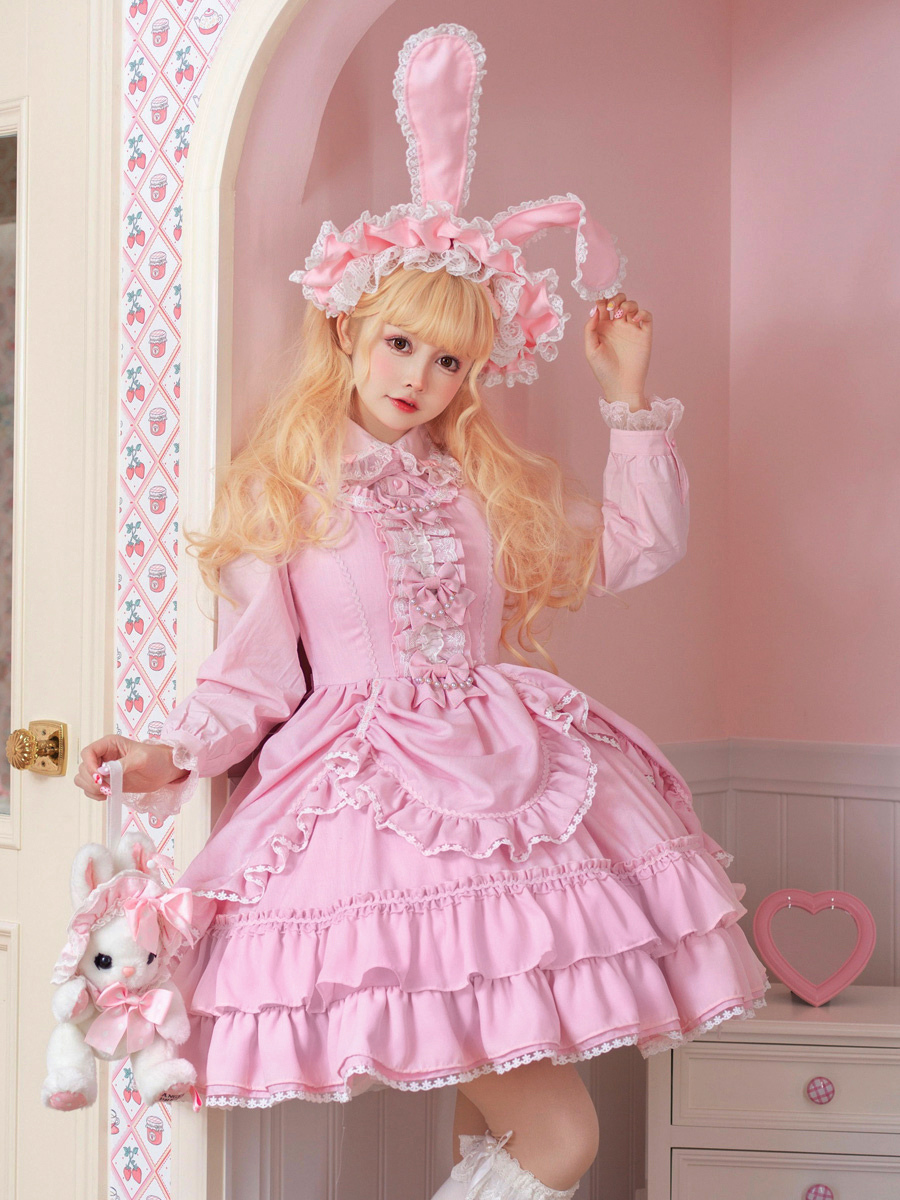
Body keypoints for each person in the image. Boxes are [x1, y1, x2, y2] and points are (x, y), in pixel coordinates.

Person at [74, 26, 770, 1200]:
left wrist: (627, 397)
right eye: (401, 343)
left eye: (450, 362)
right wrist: (168, 753)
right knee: (562, 1139)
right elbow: (254, 675)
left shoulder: (479, 484)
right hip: (375, 810)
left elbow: (637, 547)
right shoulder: (288, 488)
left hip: (519, 793)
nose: (420, 378)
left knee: (491, 1118)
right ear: (348, 330)